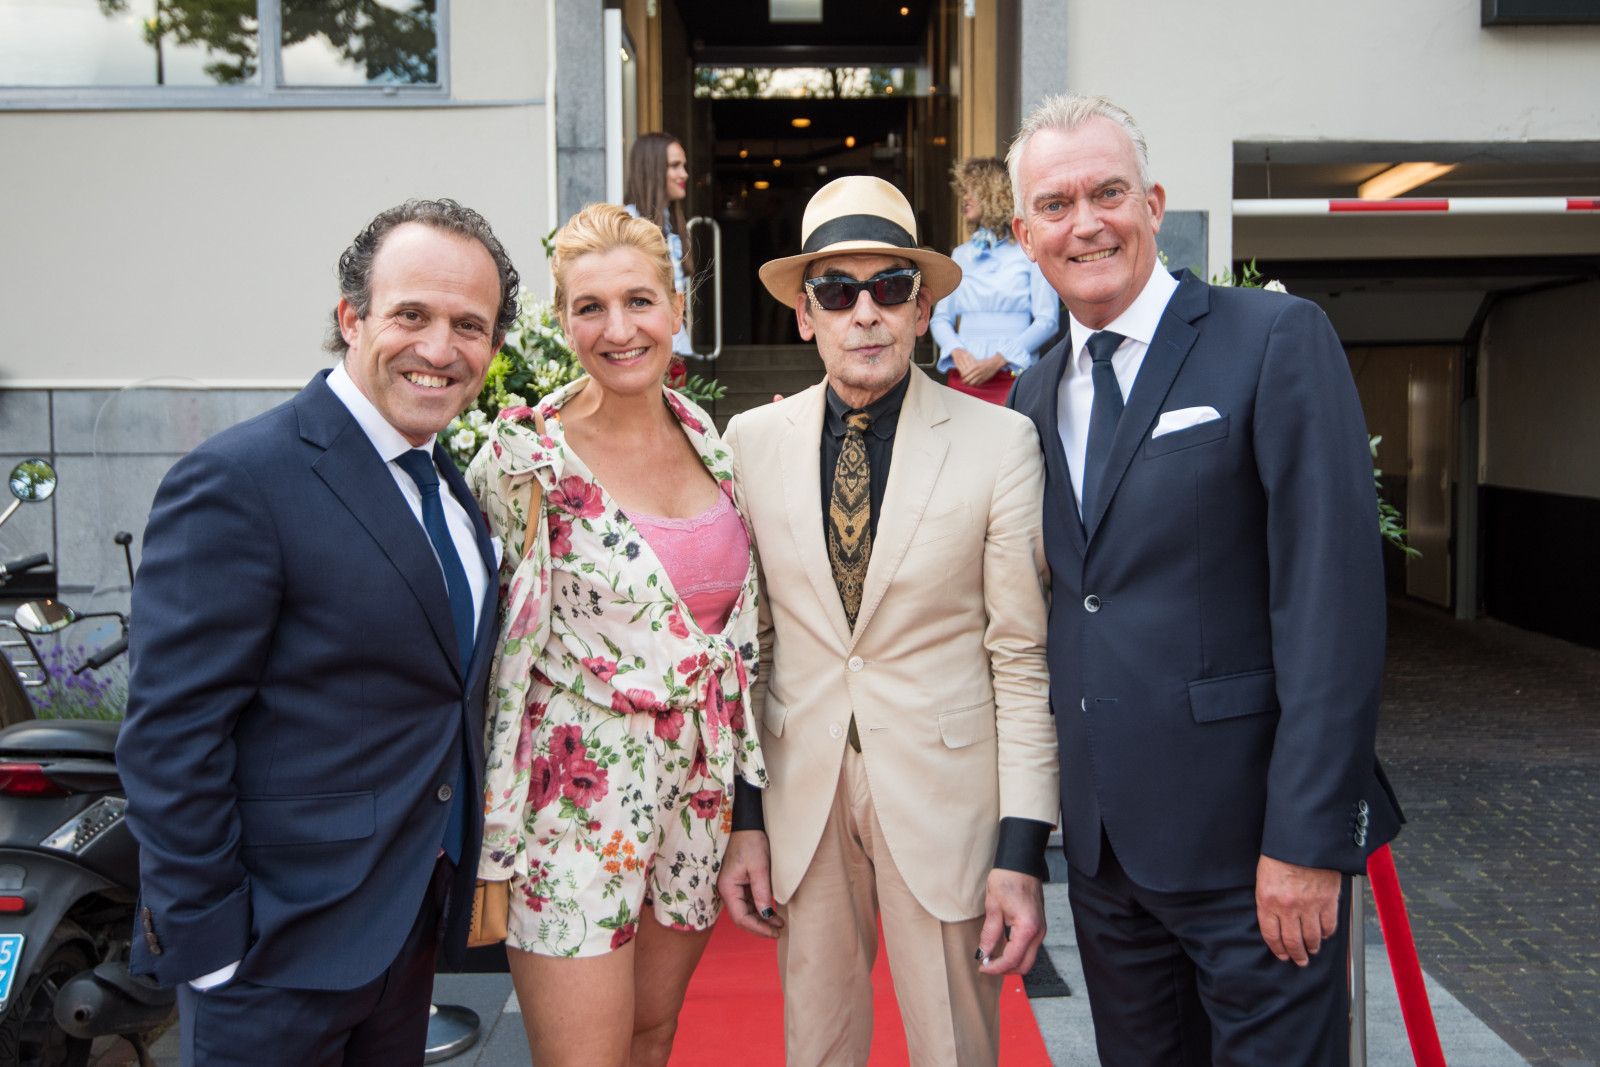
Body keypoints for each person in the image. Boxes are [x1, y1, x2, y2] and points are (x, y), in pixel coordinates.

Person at [1005, 93, 1403, 1065]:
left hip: (1254, 852)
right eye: (1055, 204)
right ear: (1024, 235)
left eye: (1107, 192)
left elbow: (1332, 609)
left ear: (1153, 204)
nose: (1085, 223)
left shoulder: (1272, 338)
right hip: (1106, 861)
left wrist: (1307, 839)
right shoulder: (1034, 392)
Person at [117, 198, 516, 1065]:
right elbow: (170, 738)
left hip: (404, 935)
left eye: (469, 325)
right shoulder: (239, 480)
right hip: (271, 957)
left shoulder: (451, 487)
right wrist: (214, 952)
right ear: (351, 318)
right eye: (411, 314)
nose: (440, 348)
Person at [715, 175, 1060, 1067]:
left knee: (955, 1048)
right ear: (805, 315)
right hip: (802, 792)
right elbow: (749, 648)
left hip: (948, 800)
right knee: (817, 1049)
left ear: (922, 308)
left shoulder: (1001, 442)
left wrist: (1023, 846)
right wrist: (745, 817)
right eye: (837, 291)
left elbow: (1020, 657)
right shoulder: (749, 442)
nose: (864, 313)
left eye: (890, 288)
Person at [467, 202, 764, 1067]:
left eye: (639, 300)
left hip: (696, 795)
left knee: (652, 1036)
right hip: (572, 802)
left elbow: (745, 636)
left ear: (677, 306)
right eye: (589, 307)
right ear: (563, 322)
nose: (619, 328)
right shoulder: (524, 460)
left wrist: (749, 803)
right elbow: (476, 644)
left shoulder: (713, 440)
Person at [929, 157, 1059, 404]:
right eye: (964, 190)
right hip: (964, 378)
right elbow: (941, 318)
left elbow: (1048, 321)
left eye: (973, 189)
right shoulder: (961, 255)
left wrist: (999, 360)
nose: (965, 197)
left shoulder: (1029, 252)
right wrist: (956, 351)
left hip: (1013, 378)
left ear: (996, 193)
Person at [625, 131, 695, 368]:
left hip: (673, 348)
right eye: (675, 166)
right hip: (642, 352)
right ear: (652, 169)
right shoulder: (628, 224)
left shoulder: (670, 223)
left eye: (683, 165)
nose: (684, 174)